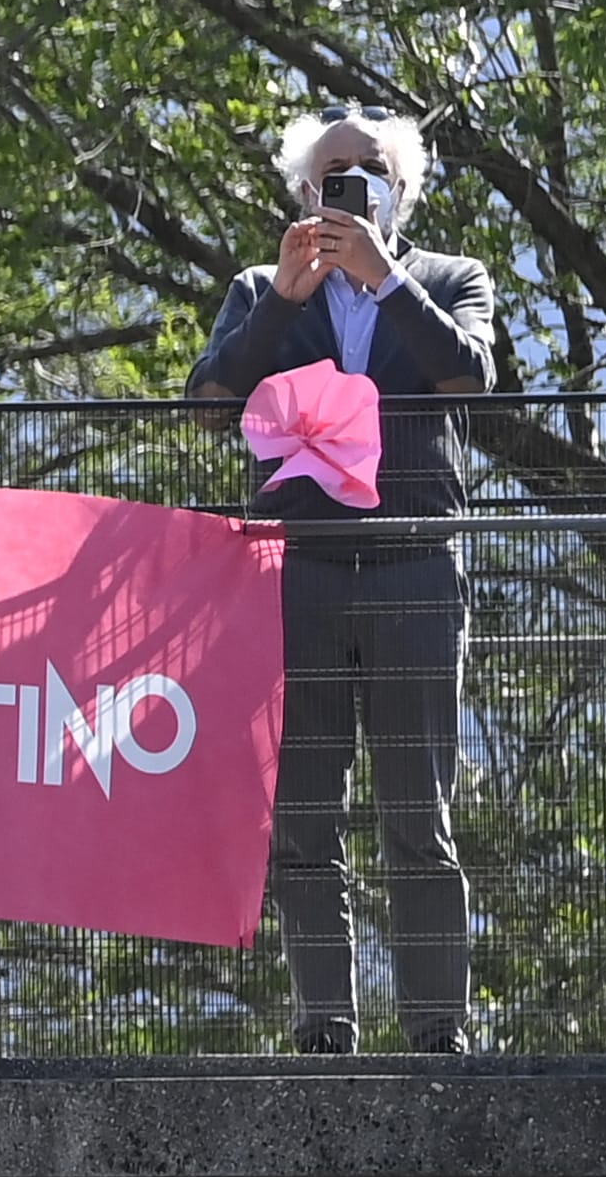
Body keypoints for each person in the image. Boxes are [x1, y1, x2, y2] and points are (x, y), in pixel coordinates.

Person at [194, 103, 497, 1053]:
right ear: (302, 193)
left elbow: (473, 377)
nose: (350, 187)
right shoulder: (257, 287)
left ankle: (438, 1029)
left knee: (419, 812)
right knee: (301, 817)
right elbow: (208, 404)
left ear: (401, 189)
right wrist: (286, 297)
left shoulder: (451, 279)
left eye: (368, 170)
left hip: (414, 567)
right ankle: (325, 1021)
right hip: (297, 574)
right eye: (332, 175)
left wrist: (388, 278)